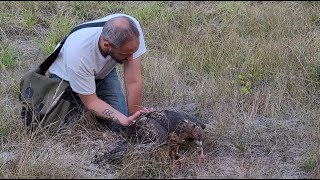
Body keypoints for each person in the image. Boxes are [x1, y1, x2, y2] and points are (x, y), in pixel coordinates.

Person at [48, 13, 153, 132]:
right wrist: (123, 119)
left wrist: (134, 117)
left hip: (102, 71)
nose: (131, 58)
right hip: (66, 78)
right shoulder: (78, 55)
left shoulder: (132, 32)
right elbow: (91, 102)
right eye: (126, 54)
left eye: (132, 52)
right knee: (67, 124)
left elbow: (133, 80)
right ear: (107, 45)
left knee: (120, 126)